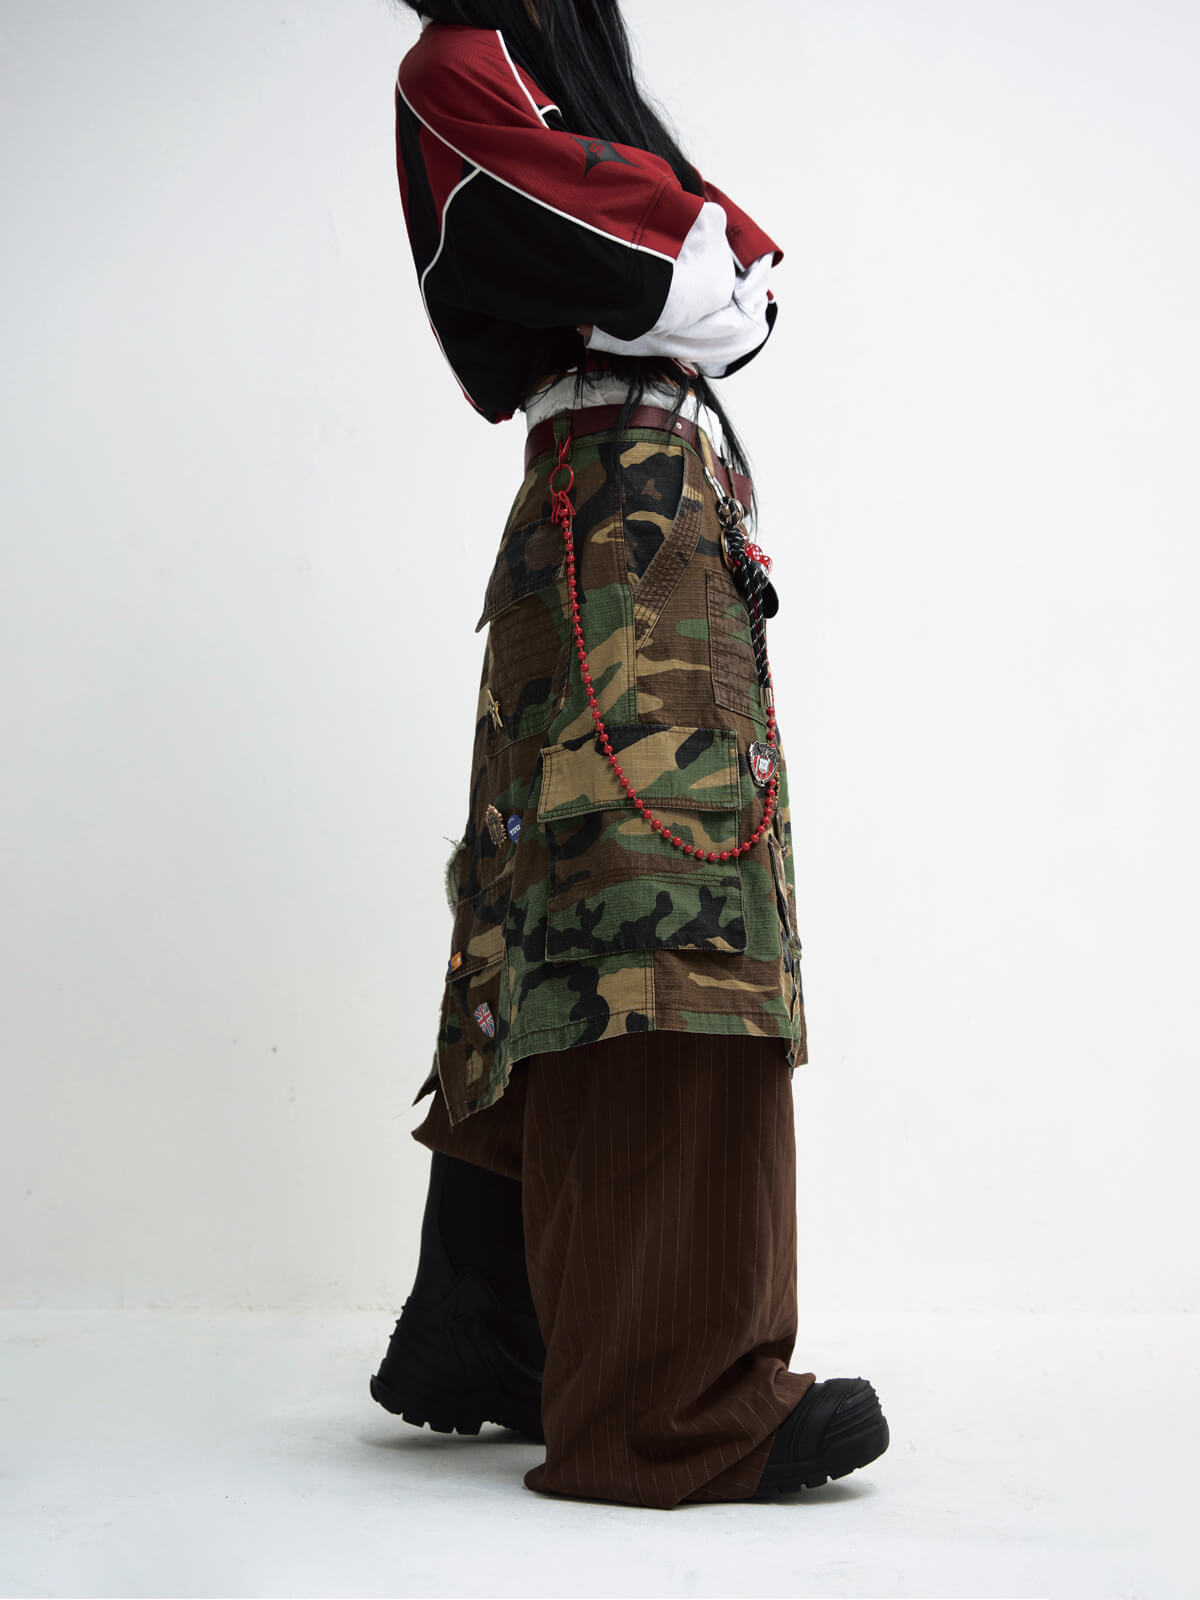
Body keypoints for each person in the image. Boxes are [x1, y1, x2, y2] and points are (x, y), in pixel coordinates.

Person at [369, 0, 890, 1508]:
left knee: (563, 912)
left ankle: (494, 1326)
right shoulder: (461, 66)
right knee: (662, 926)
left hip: (638, 505)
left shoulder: (536, 83)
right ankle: (674, 1404)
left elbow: (747, 285)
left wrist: (685, 259)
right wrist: (679, 258)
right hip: (622, 513)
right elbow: (679, 271)